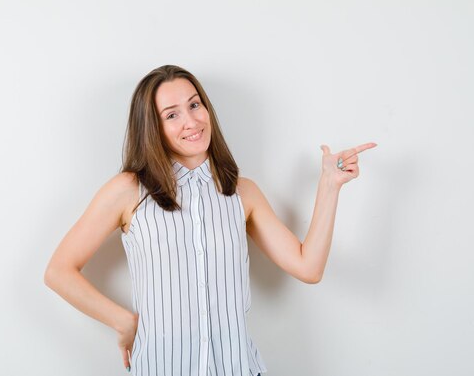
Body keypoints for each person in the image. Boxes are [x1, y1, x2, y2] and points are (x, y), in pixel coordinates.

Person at [44, 64, 377, 376]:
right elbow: (59, 271)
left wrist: (329, 185)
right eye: (171, 115)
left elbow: (309, 267)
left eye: (194, 105)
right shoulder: (128, 191)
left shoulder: (242, 193)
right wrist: (123, 322)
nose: (191, 121)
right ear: (153, 128)